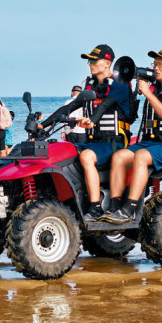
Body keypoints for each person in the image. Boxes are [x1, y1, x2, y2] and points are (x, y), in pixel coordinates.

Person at [105, 47, 162, 224]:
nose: (157, 68)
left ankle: (130, 209)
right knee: (118, 156)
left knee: (140, 157)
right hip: (150, 142)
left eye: (161, 64)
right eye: (155, 64)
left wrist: (148, 93)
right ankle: (114, 207)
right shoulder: (155, 88)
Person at [52, 44, 130, 223]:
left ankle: (95, 208)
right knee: (61, 151)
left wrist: (92, 120)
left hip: (113, 143)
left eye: (94, 60)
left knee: (86, 156)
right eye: (89, 60)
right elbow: (70, 107)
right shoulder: (91, 86)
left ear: (107, 63)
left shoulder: (120, 85)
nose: (90, 64)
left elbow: (105, 105)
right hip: (93, 142)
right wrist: (42, 125)